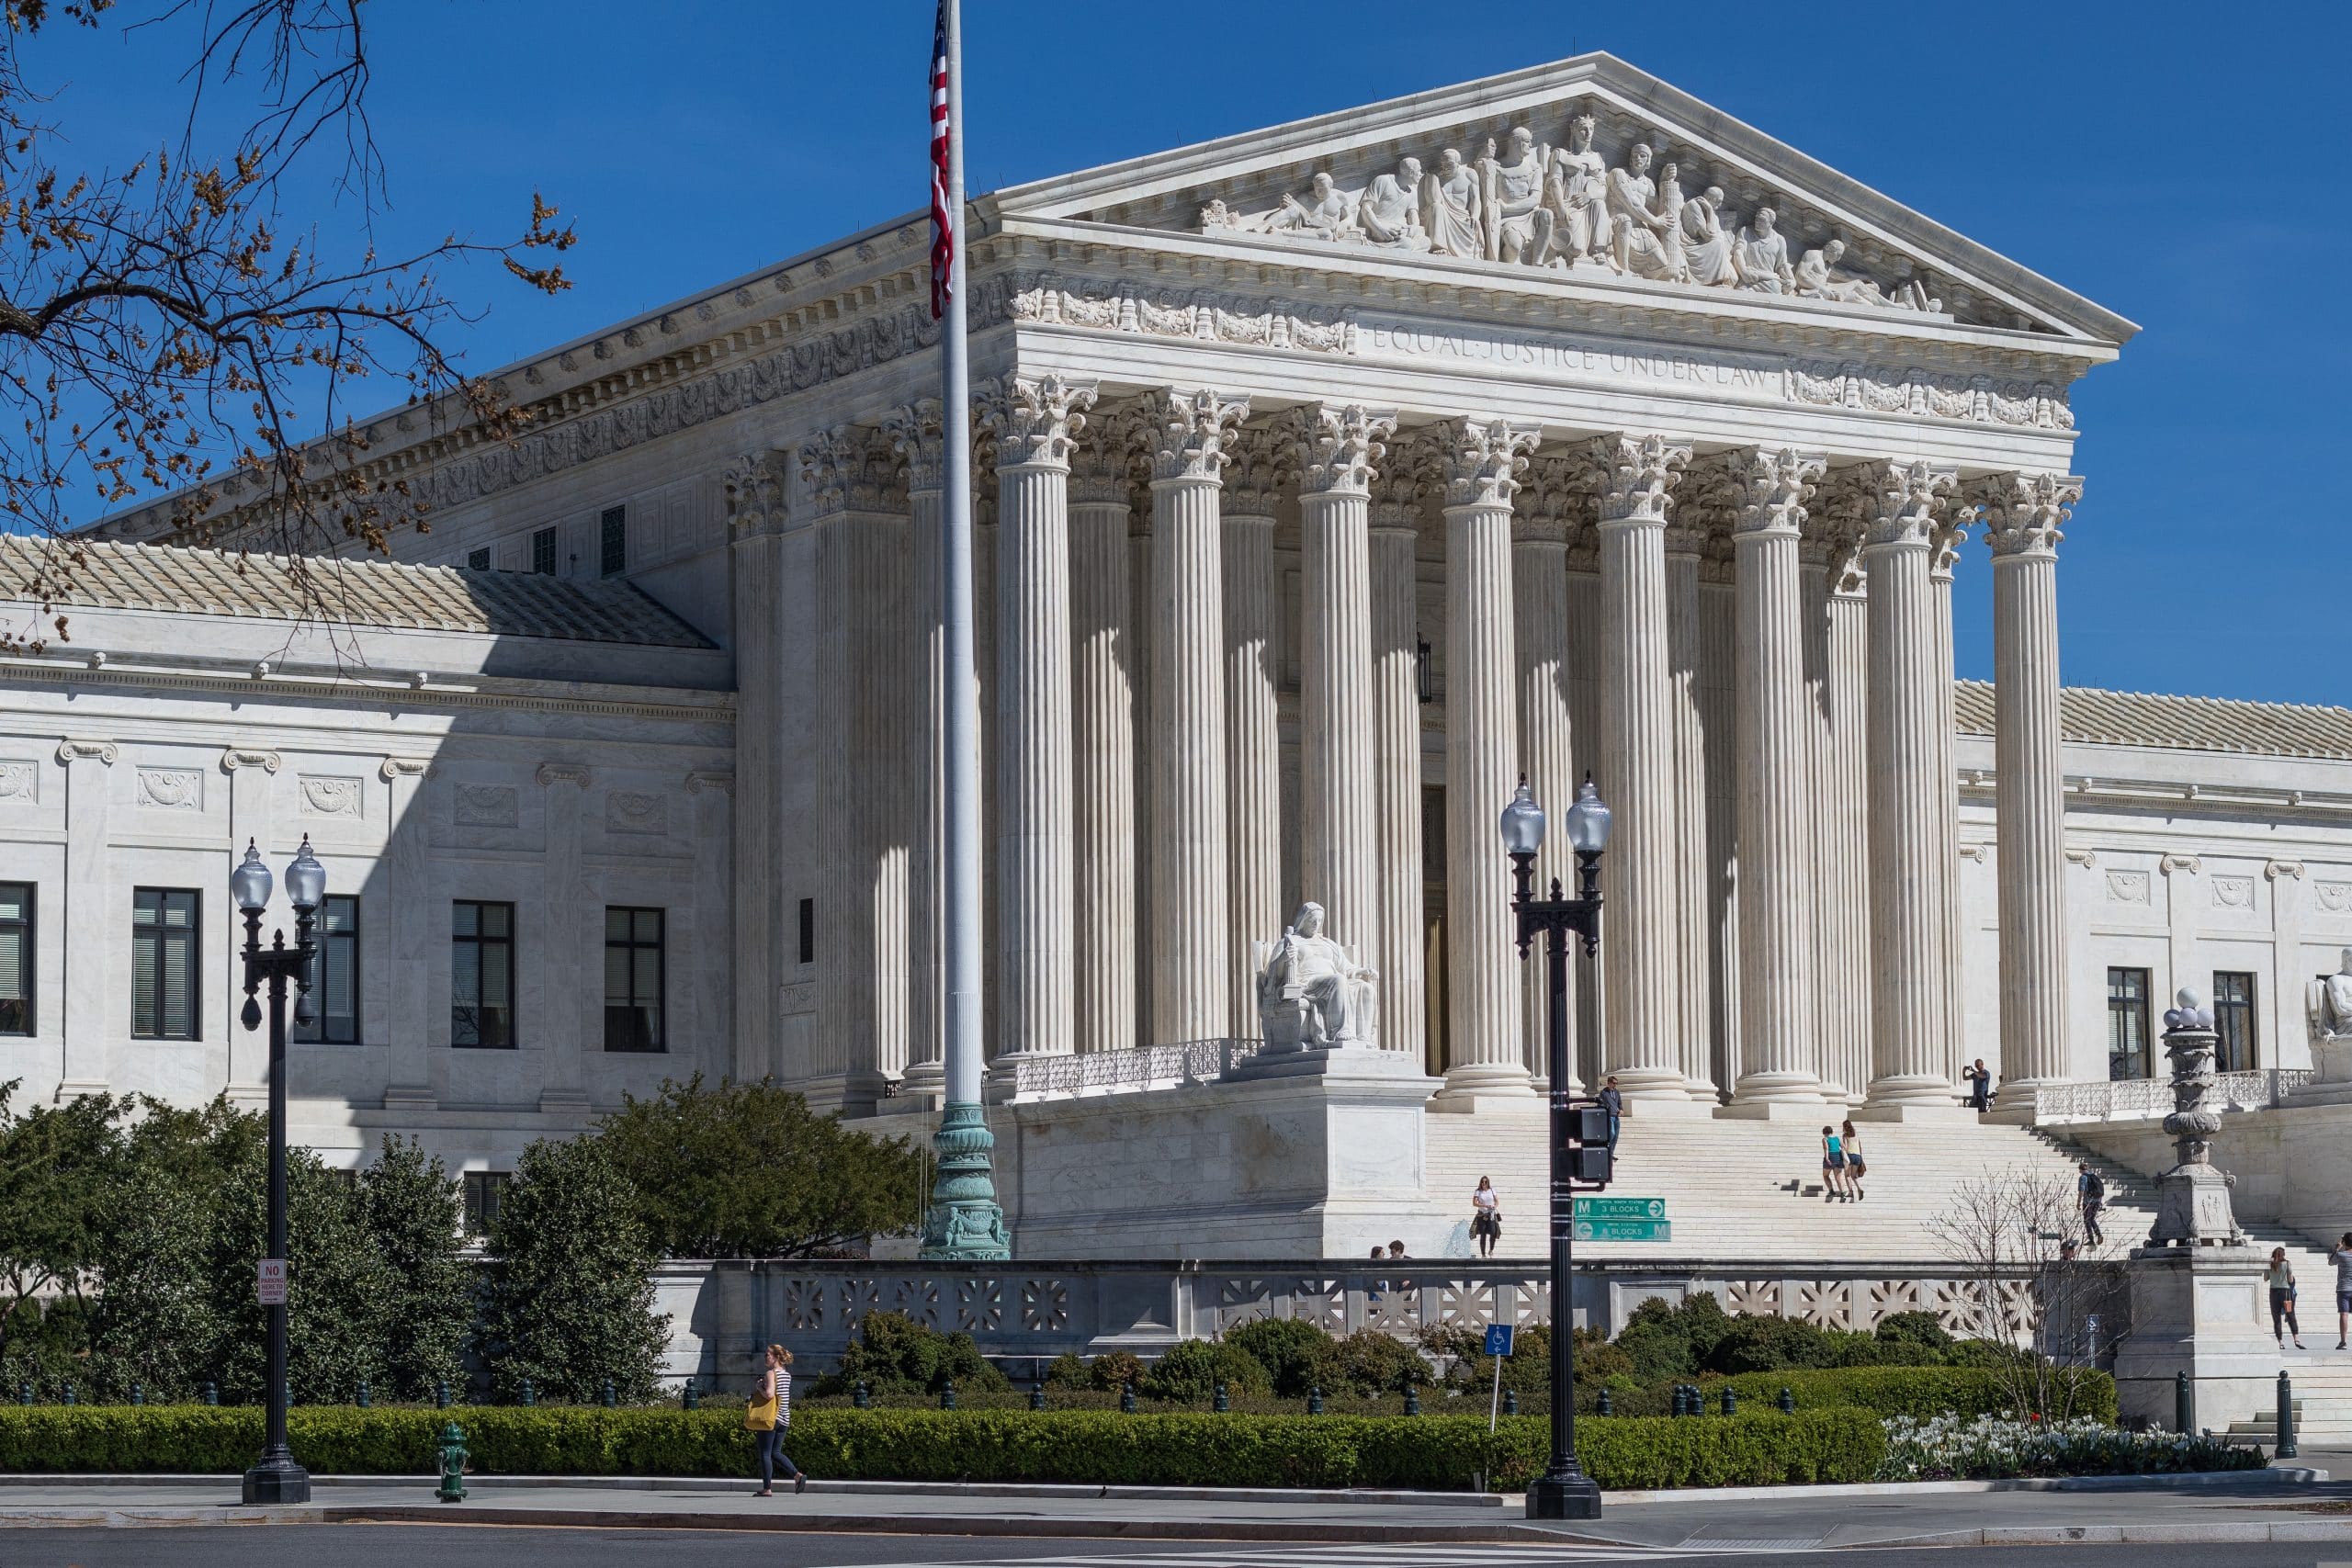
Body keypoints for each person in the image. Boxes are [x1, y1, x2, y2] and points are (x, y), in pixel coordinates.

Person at [748, 1344, 804, 1496]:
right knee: (775, 1452)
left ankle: (767, 1488)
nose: (765, 1357)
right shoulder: (787, 1374)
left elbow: (770, 1394)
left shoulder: (771, 1373)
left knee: (765, 1453)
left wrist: (759, 1387)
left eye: (768, 1355)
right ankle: (797, 1475)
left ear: (776, 1357)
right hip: (784, 1418)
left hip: (771, 1418)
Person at [2269, 1247, 2307, 1349]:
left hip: (2273, 1293)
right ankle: (2296, 1340)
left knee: (2276, 1318)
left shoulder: (2270, 1264)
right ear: (2283, 1254)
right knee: (2291, 1315)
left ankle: (2280, 1342)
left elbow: (2265, 1278)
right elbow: (2290, 1280)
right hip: (2285, 1293)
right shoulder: (2287, 1263)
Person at [1471, 1176, 1501, 1258]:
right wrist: (1485, 1205)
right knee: (1483, 1235)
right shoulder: (1478, 1191)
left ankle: (1491, 1250)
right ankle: (1483, 1254)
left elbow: (1497, 1201)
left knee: (1493, 1232)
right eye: (1482, 1182)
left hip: (1491, 1214)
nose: (1484, 1183)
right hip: (1482, 1215)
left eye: (1485, 1182)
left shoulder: (1492, 1190)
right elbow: (1474, 1203)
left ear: (1488, 1183)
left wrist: (1495, 1206)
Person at [2077, 1162, 2106, 1247]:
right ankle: (2099, 1235)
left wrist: (2078, 1203)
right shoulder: (2094, 1176)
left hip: (2088, 1202)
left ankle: (2091, 1240)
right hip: (2097, 1201)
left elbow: (2081, 1191)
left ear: (2080, 1170)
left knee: (2087, 1220)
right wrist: (2099, 1203)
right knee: (2092, 1219)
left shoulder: (2083, 1177)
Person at [1821, 1124, 1850, 1202]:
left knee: (1825, 1175)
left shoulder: (1825, 1139)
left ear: (1824, 1132)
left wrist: (1827, 1158)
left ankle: (1831, 1191)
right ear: (1831, 1131)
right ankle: (1842, 1193)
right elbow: (1844, 1147)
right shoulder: (1837, 1138)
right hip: (1838, 1158)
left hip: (1830, 1157)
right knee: (1838, 1177)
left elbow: (1826, 1149)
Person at [2333, 1233, 2352, 1349]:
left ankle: (2343, 1341)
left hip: (2343, 1288)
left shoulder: (2341, 1255)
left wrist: (2337, 1249)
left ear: (2344, 1243)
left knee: (2344, 1314)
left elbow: (2330, 1262)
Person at [1840, 1120, 1867, 1201]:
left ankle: (1851, 1192)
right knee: (1853, 1175)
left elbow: (1845, 1147)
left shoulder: (1845, 1135)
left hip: (1850, 1156)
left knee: (1847, 1175)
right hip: (1858, 1156)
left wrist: (1840, 1145)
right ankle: (1859, 1188)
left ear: (1844, 1127)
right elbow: (1859, 1145)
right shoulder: (1856, 1133)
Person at [1598, 1076, 1623, 1155]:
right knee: (1612, 1133)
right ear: (1609, 1083)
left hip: (1616, 1116)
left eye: (1616, 1083)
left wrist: (1621, 1109)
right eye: (1614, 1083)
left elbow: (1619, 1103)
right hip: (1609, 1116)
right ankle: (1605, 1146)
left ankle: (1611, 1153)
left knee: (1616, 1136)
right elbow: (1600, 1103)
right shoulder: (1604, 1092)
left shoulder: (1617, 1092)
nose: (1615, 1085)